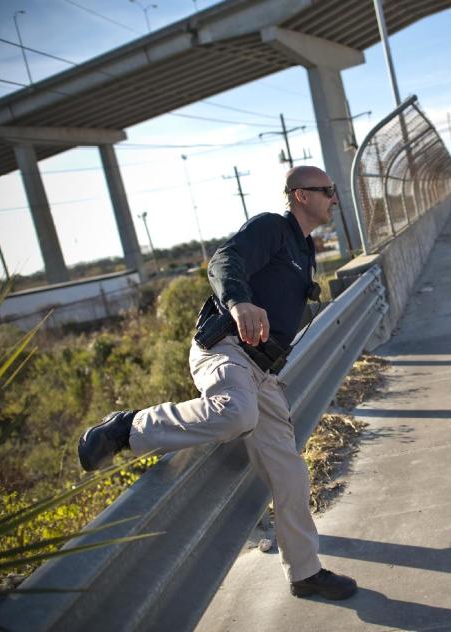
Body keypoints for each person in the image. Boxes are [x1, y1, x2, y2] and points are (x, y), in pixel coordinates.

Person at [77, 166, 356, 601]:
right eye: (327, 191)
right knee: (235, 414)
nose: (334, 199)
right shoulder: (272, 228)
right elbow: (224, 260)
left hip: (261, 371)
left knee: (290, 476)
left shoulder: (304, 247)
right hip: (224, 348)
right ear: (301, 195)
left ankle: (305, 573)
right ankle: (126, 428)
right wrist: (240, 301)